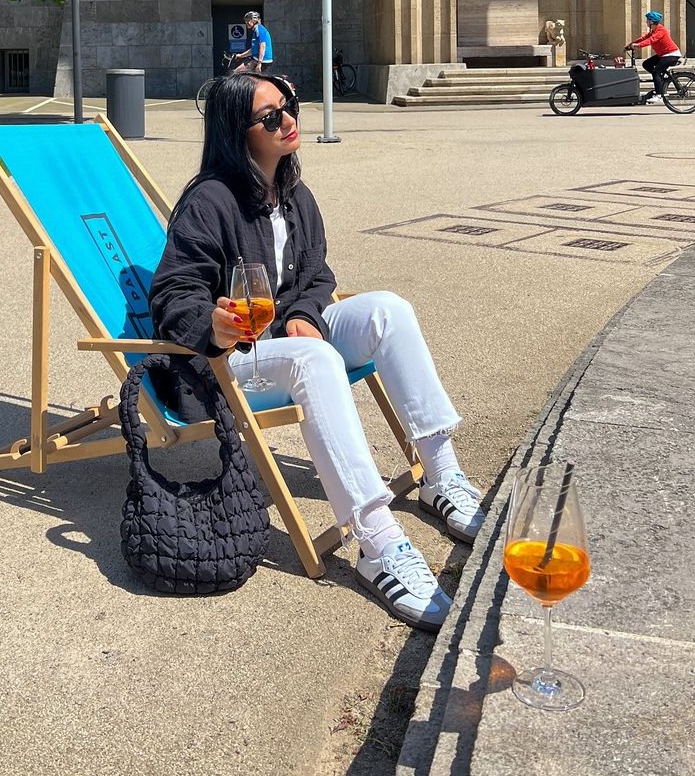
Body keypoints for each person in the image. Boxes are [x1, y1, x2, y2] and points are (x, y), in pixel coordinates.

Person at [149, 72, 483, 630]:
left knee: (387, 309)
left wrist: (304, 314)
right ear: (238, 131)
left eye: (289, 107)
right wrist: (213, 323)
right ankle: (378, 544)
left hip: (286, 340)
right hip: (227, 362)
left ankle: (441, 476)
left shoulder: (295, 195)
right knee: (319, 359)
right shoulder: (209, 202)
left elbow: (316, 274)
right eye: (270, 117)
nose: (288, 120)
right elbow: (172, 292)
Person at [626, 11, 682, 102]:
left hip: (671, 54)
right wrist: (631, 44)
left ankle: (659, 95)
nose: (646, 22)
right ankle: (659, 80)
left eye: (647, 20)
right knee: (646, 64)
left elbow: (651, 40)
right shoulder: (653, 31)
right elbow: (644, 38)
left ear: (651, 21)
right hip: (663, 54)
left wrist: (638, 46)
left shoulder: (661, 30)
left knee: (656, 72)